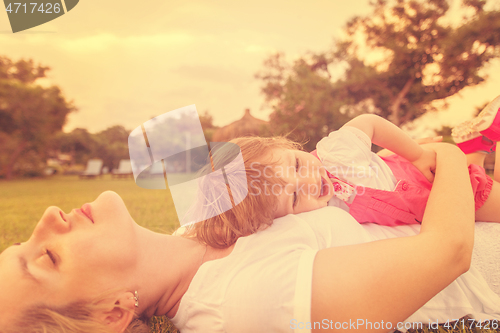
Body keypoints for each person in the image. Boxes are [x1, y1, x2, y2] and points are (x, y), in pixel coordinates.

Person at [1, 140, 500, 333]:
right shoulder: (244, 305)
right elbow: (447, 253)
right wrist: (453, 156)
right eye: (46, 258)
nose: (48, 216)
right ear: (112, 312)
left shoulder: (197, 224)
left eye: (20, 241)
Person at [202, 95, 500, 230]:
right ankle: (480, 142)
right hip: (410, 186)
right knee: (474, 172)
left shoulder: (335, 153)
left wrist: (417, 154)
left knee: (488, 191)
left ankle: (488, 138)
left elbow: (369, 122)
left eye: (295, 166)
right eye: (293, 196)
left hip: (431, 183)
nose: (308, 182)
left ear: (286, 145)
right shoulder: (313, 220)